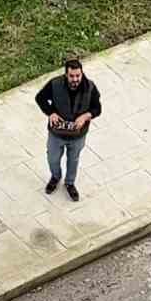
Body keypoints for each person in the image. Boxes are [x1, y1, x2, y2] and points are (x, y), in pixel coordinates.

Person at [35, 55, 102, 200]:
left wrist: (85, 117)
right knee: (52, 158)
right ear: (66, 74)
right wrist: (51, 113)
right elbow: (40, 98)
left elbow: (97, 108)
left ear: (81, 73)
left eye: (78, 75)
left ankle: (70, 183)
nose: (75, 79)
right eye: (72, 76)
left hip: (78, 135)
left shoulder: (90, 87)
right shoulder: (55, 84)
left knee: (73, 160)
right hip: (56, 133)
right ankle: (55, 177)